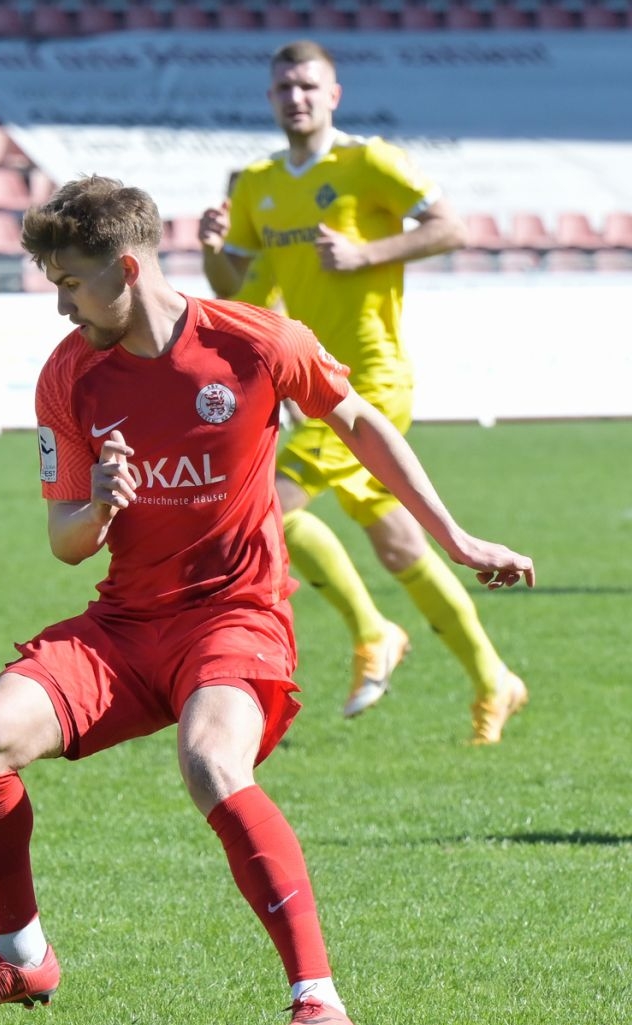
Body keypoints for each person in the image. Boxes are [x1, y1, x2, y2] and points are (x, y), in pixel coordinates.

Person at [0, 177, 532, 1025]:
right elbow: (65, 542)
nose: (61, 305)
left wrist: (456, 537)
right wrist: (100, 505)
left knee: (210, 761)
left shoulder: (255, 340)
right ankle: (21, 955)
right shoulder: (69, 374)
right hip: (127, 624)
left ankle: (318, 998)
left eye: (71, 283)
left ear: (128, 269)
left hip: (237, 617)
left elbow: (357, 421)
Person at [200, 40, 525, 744]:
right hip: (311, 380)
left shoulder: (369, 162)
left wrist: (365, 254)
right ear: (270, 98)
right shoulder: (257, 183)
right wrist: (211, 251)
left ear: (334, 94)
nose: (296, 98)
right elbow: (245, 296)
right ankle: (494, 679)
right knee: (399, 545)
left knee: (261, 507)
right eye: (284, 87)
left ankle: (374, 632)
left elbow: (452, 227)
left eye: (308, 86)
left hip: (372, 378)